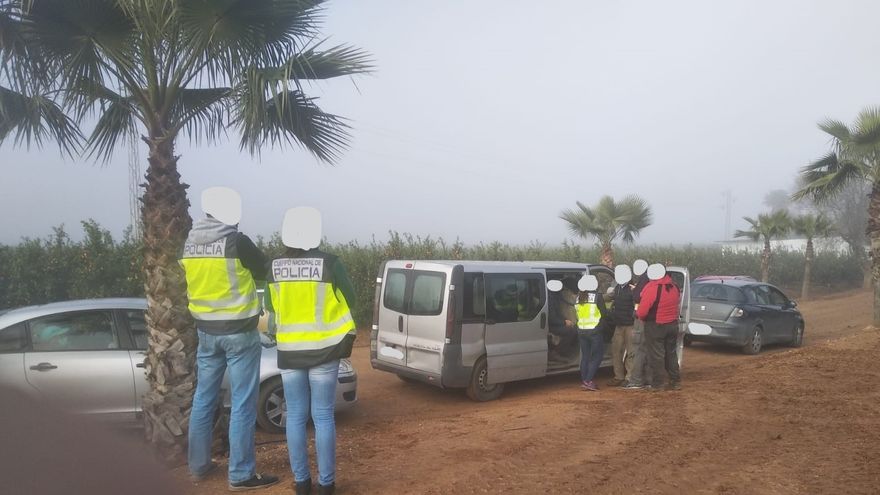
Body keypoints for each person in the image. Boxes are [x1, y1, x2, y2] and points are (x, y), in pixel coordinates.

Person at [180, 187, 278, 491]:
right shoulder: (236, 241)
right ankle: (240, 474)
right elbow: (266, 269)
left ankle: (197, 466)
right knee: (243, 403)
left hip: (206, 332)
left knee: (203, 400)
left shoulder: (189, 242)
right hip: (239, 333)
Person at [266, 207, 357, 495]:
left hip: (291, 352)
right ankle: (326, 485)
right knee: (323, 416)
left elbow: (271, 308)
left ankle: (301, 483)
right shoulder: (329, 263)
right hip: (324, 351)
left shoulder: (274, 267)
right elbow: (351, 297)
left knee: (294, 416)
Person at [635, 263, 682, 391]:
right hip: (672, 324)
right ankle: (675, 380)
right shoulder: (674, 287)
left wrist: (638, 315)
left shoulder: (652, 288)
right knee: (671, 354)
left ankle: (658, 383)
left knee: (656, 356)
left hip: (656, 325)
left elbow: (642, 311)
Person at [575, 274, 608, 391]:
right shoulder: (597, 297)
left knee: (585, 356)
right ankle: (588, 381)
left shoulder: (578, 298)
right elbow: (604, 314)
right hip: (594, 330)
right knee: (597, 356)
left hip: (582, 330)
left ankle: (585, 380)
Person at [623, 259, 651, 390]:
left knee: (638, 349)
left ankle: (636, 380)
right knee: (648, 349)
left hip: (641, 319)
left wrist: (634, 290)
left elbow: (638, 297)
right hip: (652, 321)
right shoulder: (651, 280)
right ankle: (649, 380)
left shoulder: (644, 279)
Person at [608, 264, 636, 387]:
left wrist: (633, 316)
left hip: (630, 325)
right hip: (619, 325)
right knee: (616, 351)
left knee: (631, 352)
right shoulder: (617, 288)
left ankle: (629, 377)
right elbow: (608, 297)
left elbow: (637, 306)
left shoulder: (632, 289)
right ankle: (618, 376)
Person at [548, 277, 579, 359]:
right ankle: (557, 352)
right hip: (549, 324)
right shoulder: (550, 297)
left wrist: (566, 320)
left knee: (574, 327)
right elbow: (551, 317)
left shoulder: (554, 295)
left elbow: (557, 313)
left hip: (553, 322)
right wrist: (564, 322)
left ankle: (567, 350)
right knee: (571, 331)